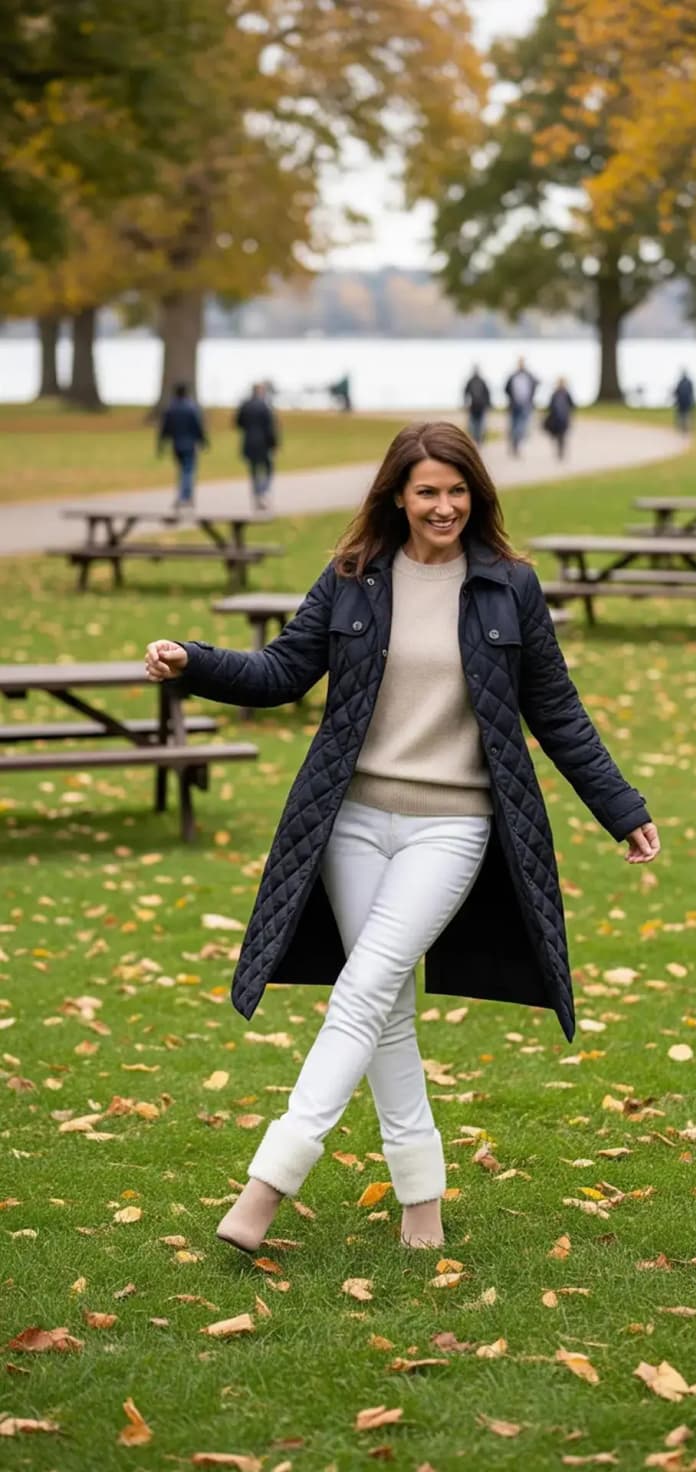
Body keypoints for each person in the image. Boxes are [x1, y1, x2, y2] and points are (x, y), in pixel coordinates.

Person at [145, 422, 659, 1255]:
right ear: (398, 496)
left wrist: (621, 806)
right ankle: (423, 1210)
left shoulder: (508, 586)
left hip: (452, 826)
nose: (444, 506)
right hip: (349, 823)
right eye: (428, 492)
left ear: (476, 496)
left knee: (363, 989)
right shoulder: (351, 579)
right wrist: (193, 662)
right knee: (384, 1012)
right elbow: (282, 673)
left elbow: (555, 709)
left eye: (458, 491)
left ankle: (266, 1186)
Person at [157, 383, 208, 511]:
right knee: (188, 470)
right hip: (189, 444)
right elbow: (197, 426)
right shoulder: (191, 408)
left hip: (176, 444)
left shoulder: (171, 408)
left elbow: (164, 428)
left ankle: (185, 496)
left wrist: (161, 445)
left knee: (182, 470)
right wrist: (203, 441)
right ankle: (184, 497)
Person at [236, 382, 280, 509]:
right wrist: (274, 444)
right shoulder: (265, 406)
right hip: (264, 443)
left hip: (249, 442)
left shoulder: (245, 405)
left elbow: (238, 423)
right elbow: (270, 427)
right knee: (269, 468)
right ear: (261, 391)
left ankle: (257, 494)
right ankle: (263, 492)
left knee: (253, 470)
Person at [504, 357, 539, 456]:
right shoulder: (513, 376)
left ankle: (518, 445)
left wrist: (530, 400)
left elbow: (535, 385)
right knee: (514, 426)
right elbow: (506, 388)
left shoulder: (529, 376)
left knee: (522, 427)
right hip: (514, 406)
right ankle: (514, 445)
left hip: (525, 405)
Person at [542, 378, 575, 459]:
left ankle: (560, 450)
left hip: (560, 419)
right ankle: (560, 450)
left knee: (560, 436)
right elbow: (572, 406)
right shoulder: (564, 394)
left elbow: (550, 406)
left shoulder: (559, 394)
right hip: (560, 419)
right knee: (561, 436)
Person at [463, 365, 491, 446]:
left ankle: (479, 441)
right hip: (473, 408)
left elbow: (487, 394)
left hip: (481, 408)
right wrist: (465, 404)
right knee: (472, 427)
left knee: (481, 426)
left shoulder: (482, 381)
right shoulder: (470, 381)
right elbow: (465, 393)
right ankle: (475, 440)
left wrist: (488, 405)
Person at [673, 370, 695, 434]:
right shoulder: (689, 382)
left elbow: (676, 392)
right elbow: (692, 392)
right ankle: (686, 429)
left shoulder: (680, 382)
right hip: (687, 402)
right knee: (687, 415)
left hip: (681, 402)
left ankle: (681, 428)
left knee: (681, 416)